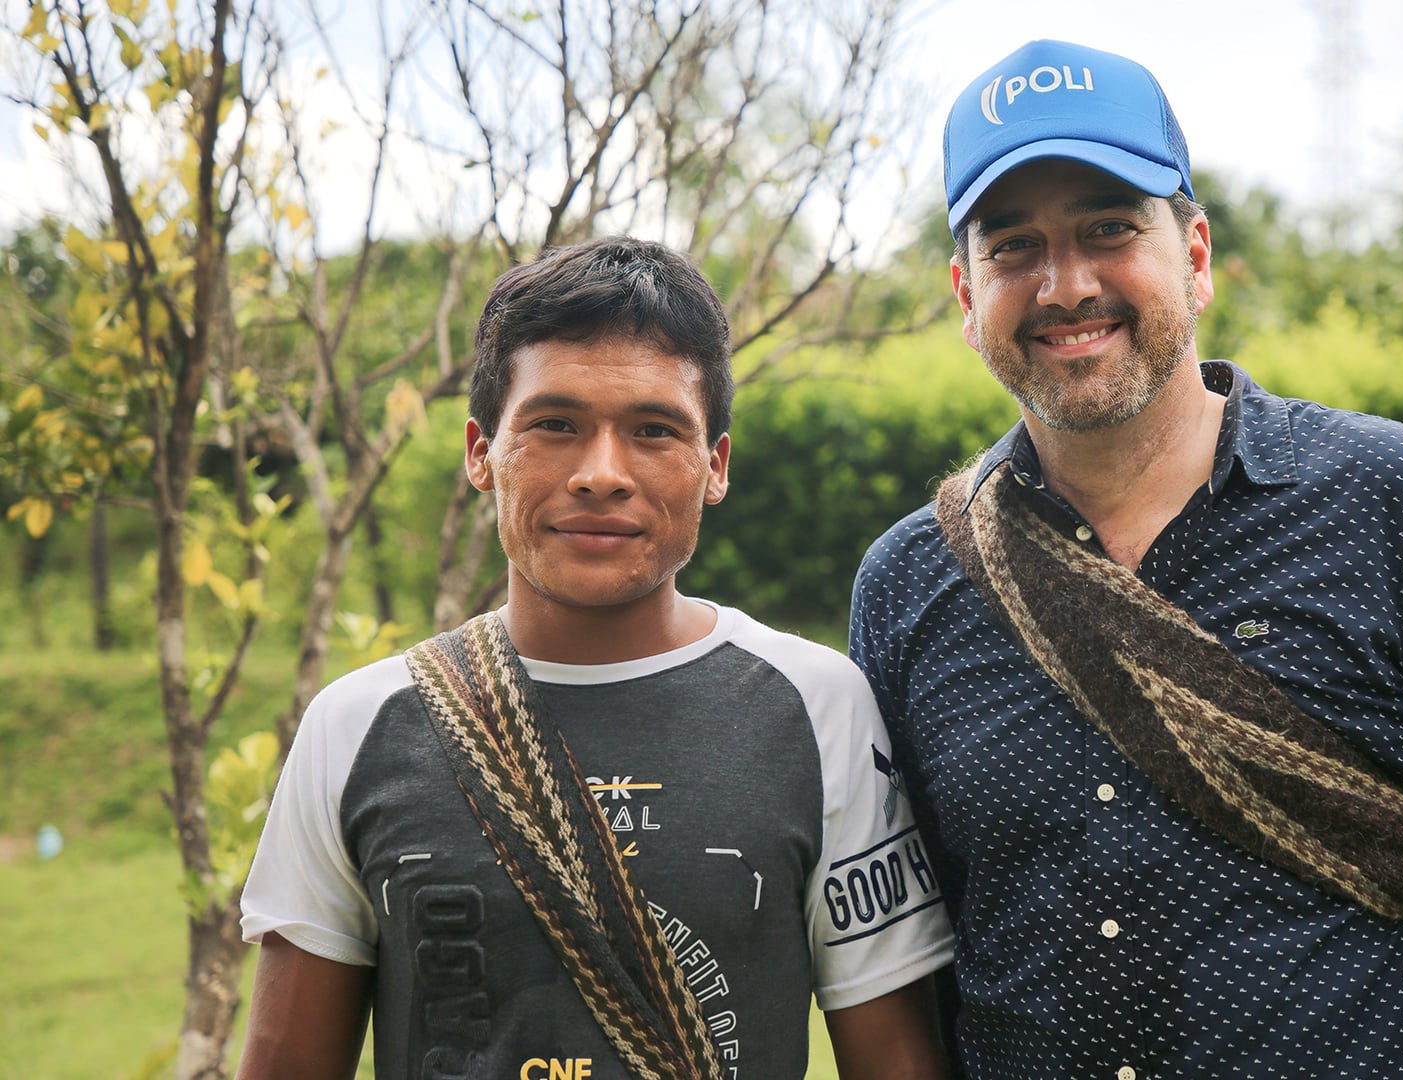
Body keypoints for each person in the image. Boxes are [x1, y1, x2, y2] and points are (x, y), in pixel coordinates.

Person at [849, 39, 1403, 1079]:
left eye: (1110, 229)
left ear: (1196, 254)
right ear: (963, 291)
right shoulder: (905, 587)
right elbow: (918, 963)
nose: (1064, 284)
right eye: (1014, 246)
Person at [238, 236, 953, 1080]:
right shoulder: (356, 726)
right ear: (481, 453)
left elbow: (896, 1060)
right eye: (555, 425)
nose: (601, 474)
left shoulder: (817, 706)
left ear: (714, 466)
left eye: (654, 430)